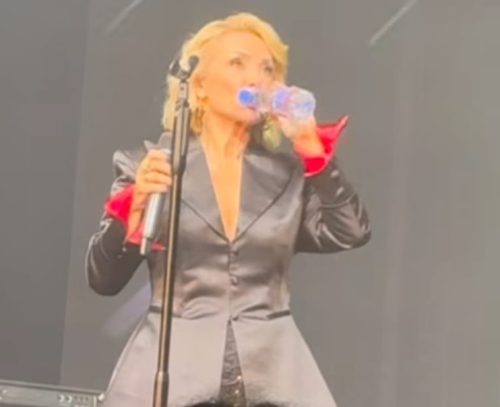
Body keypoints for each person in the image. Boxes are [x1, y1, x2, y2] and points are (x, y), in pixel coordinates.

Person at [86, 12, 371, 407]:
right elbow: (103, 280)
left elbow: (350, 231)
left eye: (267, 69)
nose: (257, 78)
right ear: (199, 85)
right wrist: (131, 213)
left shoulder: (286, 175)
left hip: (273, 378)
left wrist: (313, 152)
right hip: (174, 377)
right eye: (238, 63)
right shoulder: (152, 166)